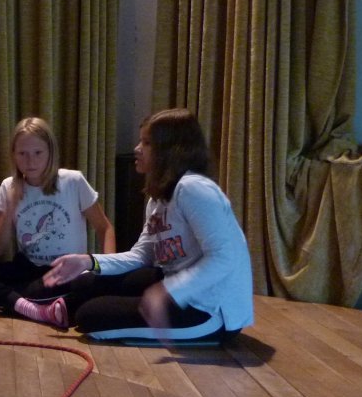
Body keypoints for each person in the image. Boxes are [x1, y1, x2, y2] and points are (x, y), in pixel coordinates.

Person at [42, 108, 254, 343]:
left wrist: (168, 291)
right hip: (176, 284)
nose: (137, 149)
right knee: (85, 282)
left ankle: (69, 310)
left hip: (211, 310)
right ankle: (64, 307)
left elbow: (225, 257)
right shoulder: (157, 200)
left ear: (171, 150)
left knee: (90, 316)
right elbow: (141, 256)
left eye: (147, 143)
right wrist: (88, 261)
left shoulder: (193, 189)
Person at [0, 117, 116, 324]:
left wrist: (107, 270)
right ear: (14, 155)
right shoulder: (8, 186)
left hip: (64, 271)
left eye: (38, 153)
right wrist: (9, 208)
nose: (30, 161)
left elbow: (104, 227)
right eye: (22, 154)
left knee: (83, 287)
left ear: (50, 152)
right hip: (26, 269)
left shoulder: (73, 181)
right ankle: (27, 307)